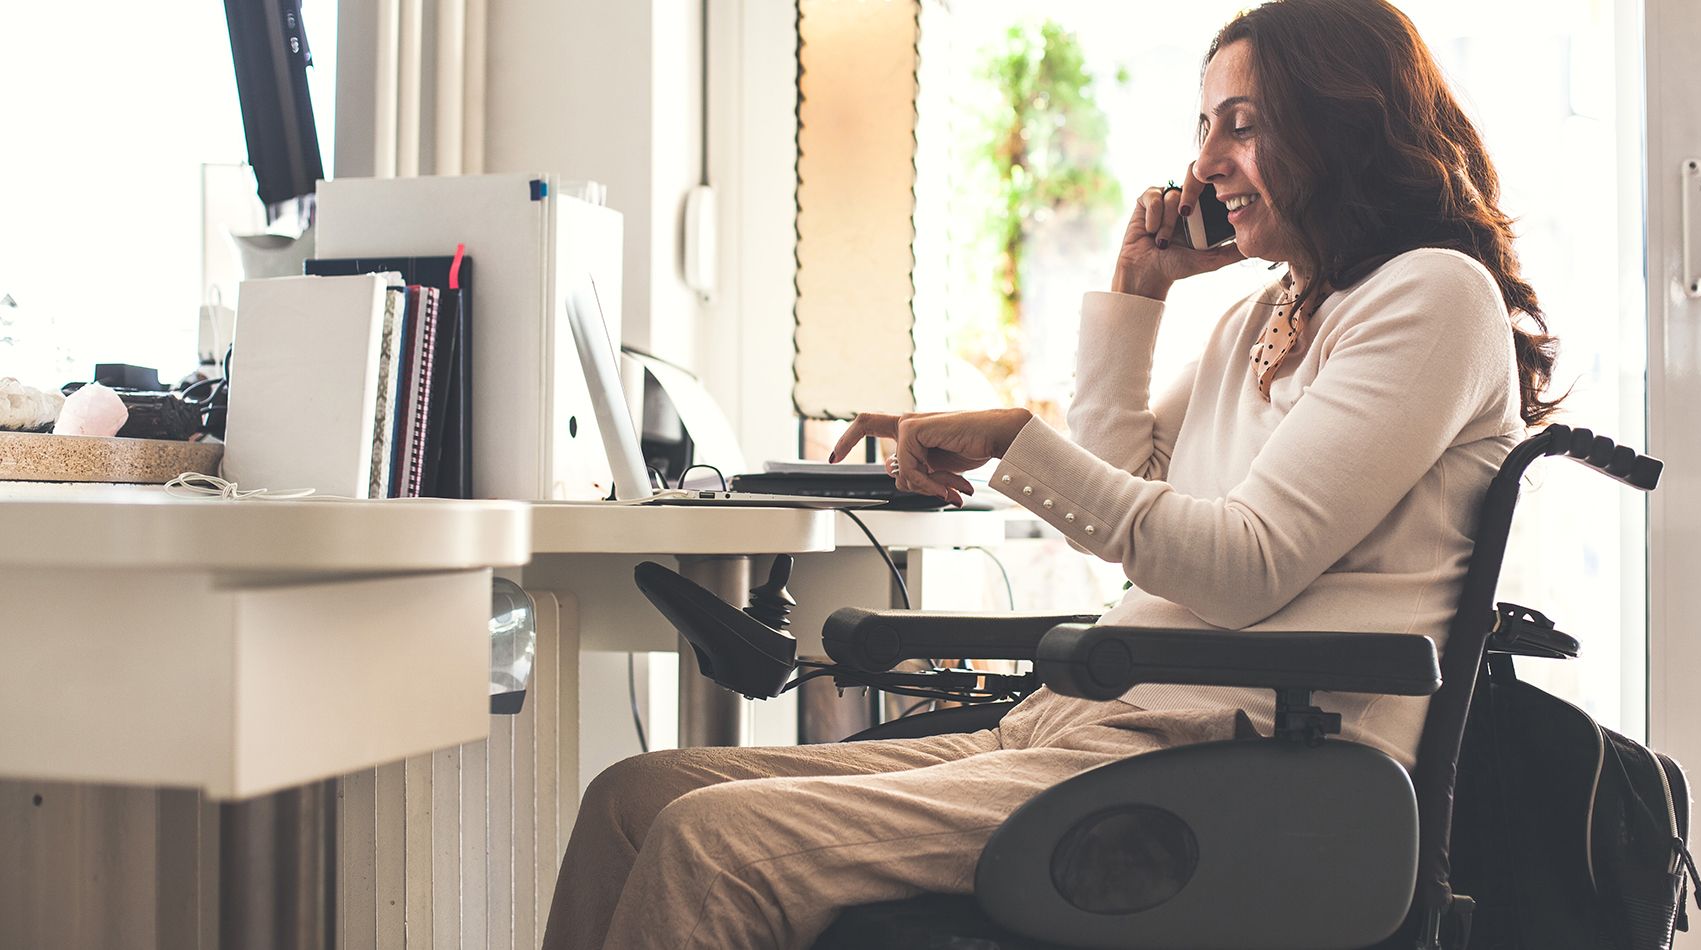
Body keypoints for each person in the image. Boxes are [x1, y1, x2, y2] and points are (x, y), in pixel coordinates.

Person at [541, 1, 1559, 947]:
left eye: (1241, 125)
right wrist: (1137, 294)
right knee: (634, 797)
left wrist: (1011, 439)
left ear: (1346, 126)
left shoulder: (1431, 297)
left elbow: (1245, 565)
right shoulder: (1273, 310)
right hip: (1094, 726)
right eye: (1205, 127)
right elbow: (1121, 506)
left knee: (711, 841)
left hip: (1244, 760)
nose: (1204, 164)